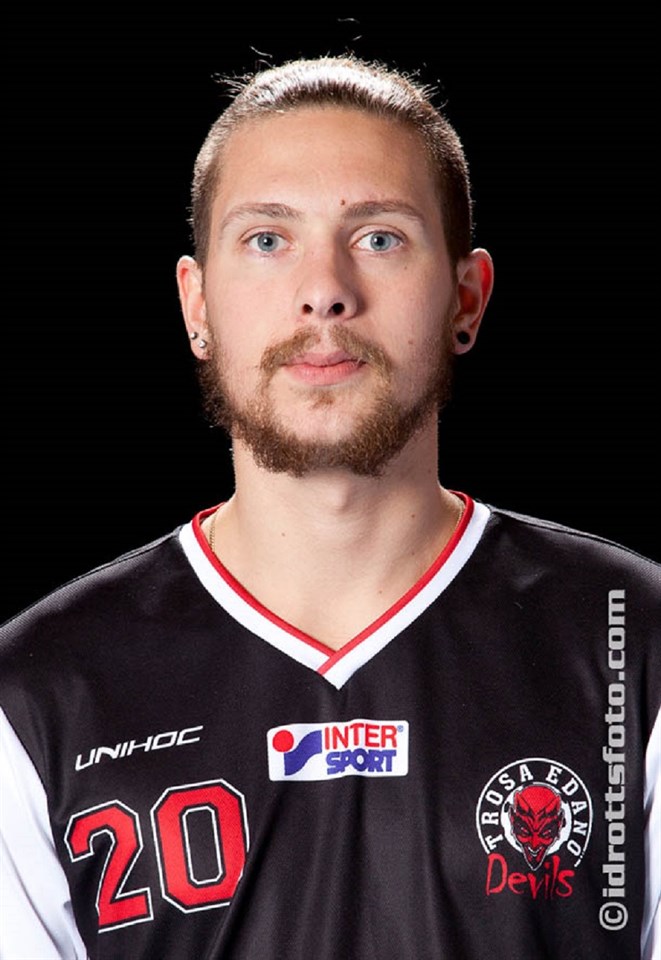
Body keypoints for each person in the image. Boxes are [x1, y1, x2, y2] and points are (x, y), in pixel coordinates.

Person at [0, 55, 658, 960]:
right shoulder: (37, 691)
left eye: (379, 237)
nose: (325, 291)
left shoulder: (632, 640)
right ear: (197, 304)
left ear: (466, 297)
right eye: (267, 240)